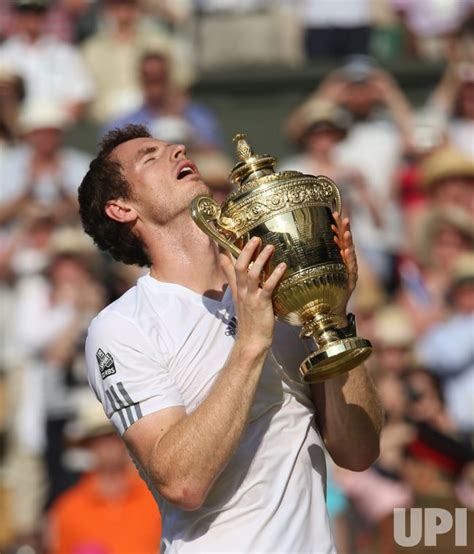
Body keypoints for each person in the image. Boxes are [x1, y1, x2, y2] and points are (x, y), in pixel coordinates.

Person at [78, 124, 383, 552]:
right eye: (150, 157)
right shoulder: (121, 327)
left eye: (174, 146)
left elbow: (359, 451)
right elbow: (182, 482)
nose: (177, 150)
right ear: (122, 208)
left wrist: (332, 315)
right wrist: (251, 343)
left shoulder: (282, 289)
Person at [48, 394, 162, 554]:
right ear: (88, 444)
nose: (109, 445)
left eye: (113, 435)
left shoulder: (156, 498)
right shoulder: (67, 510)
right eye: (100, 438)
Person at [102, 51, 223, 150]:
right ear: (140, 79)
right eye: (149, 79)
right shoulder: (124, 123)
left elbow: (214, 151)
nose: (155, 85)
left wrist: (181, 119)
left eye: (159, 78)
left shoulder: (197, 115)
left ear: (169, 76)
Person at [0, 0, 94, 120]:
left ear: (45, 16)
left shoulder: (65, 53)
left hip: (56, 125)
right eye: (26, 13)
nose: (32, 19)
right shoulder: (4, 55)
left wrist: (62, 123)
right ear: (18, 16)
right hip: (18, 124)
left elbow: (81, 95)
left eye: (37, 13)